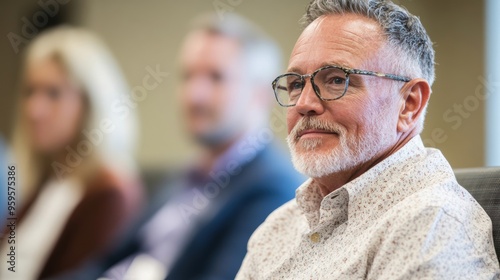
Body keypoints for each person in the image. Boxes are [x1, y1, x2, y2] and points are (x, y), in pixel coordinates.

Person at [236, 0, 500, 279]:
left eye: (337, 80)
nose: (304, 103)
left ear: (409, 104)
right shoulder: (277, 228)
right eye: (296, 84)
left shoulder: (432, 226)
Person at [91, 13, 304, 280]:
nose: (194, 94)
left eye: (215, 77)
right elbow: (103, 263)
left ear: (259, 94)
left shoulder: (273, 190)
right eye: (188, 75)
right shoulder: (183, 176)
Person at [0, 26, 143, 279]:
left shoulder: (110, 194)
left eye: (53, 93)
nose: (35, 109)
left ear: (90, 103)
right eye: (30, 91)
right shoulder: (47, 181)